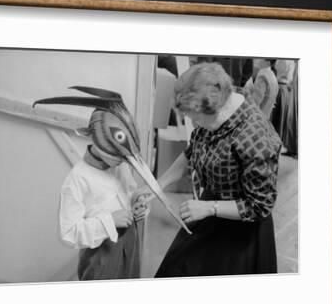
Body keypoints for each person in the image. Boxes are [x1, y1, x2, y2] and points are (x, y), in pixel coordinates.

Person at [138, 62, 282, 277]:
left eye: (195, 118)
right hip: (209, 210)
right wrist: (157, 187)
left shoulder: (255, 137)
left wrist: (210, 208)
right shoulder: (212, 118)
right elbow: (191, 153)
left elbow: (259, 206)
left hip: (240, 232)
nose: (193, 124)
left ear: (216, 107)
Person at [59, 115, 150, 281]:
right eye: (118, 158)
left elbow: (129, 191)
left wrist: (137, 206)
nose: (122, 162)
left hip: (130, 244)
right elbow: (69, 233)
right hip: (100, 256)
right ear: (100, 146)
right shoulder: (77, 179)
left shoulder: (120, 165)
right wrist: (109, 221)